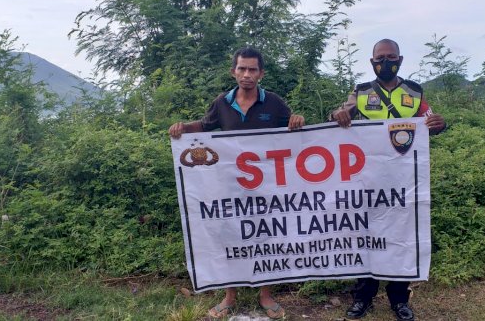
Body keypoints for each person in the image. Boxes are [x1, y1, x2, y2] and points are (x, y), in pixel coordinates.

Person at [169, 47, 304, 320]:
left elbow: (293, 132)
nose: (246, 74)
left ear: (261, 73)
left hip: (267, 187)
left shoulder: (274, 103)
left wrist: (297, 120)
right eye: (242, 68)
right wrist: (183, 128)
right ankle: (229, 296)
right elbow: (205, 126)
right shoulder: (222, 102)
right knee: (231, 236)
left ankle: (265, 295)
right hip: (230, 186)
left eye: (252, 69)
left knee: (266, 236)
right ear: (234, 71)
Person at [330, 38, 446, 321]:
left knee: (401, 237)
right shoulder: (361, 91)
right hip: (367, 180)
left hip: (404, 182)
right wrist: (338, 114)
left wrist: (439, 124)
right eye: (380, 58)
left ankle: (399, 299)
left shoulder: (414, 92)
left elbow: (431, 122)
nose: (385, 62)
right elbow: (337, 115)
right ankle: (363, 298)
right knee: (366, 235)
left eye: (390, 57)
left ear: (400, 60)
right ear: (372, 62)